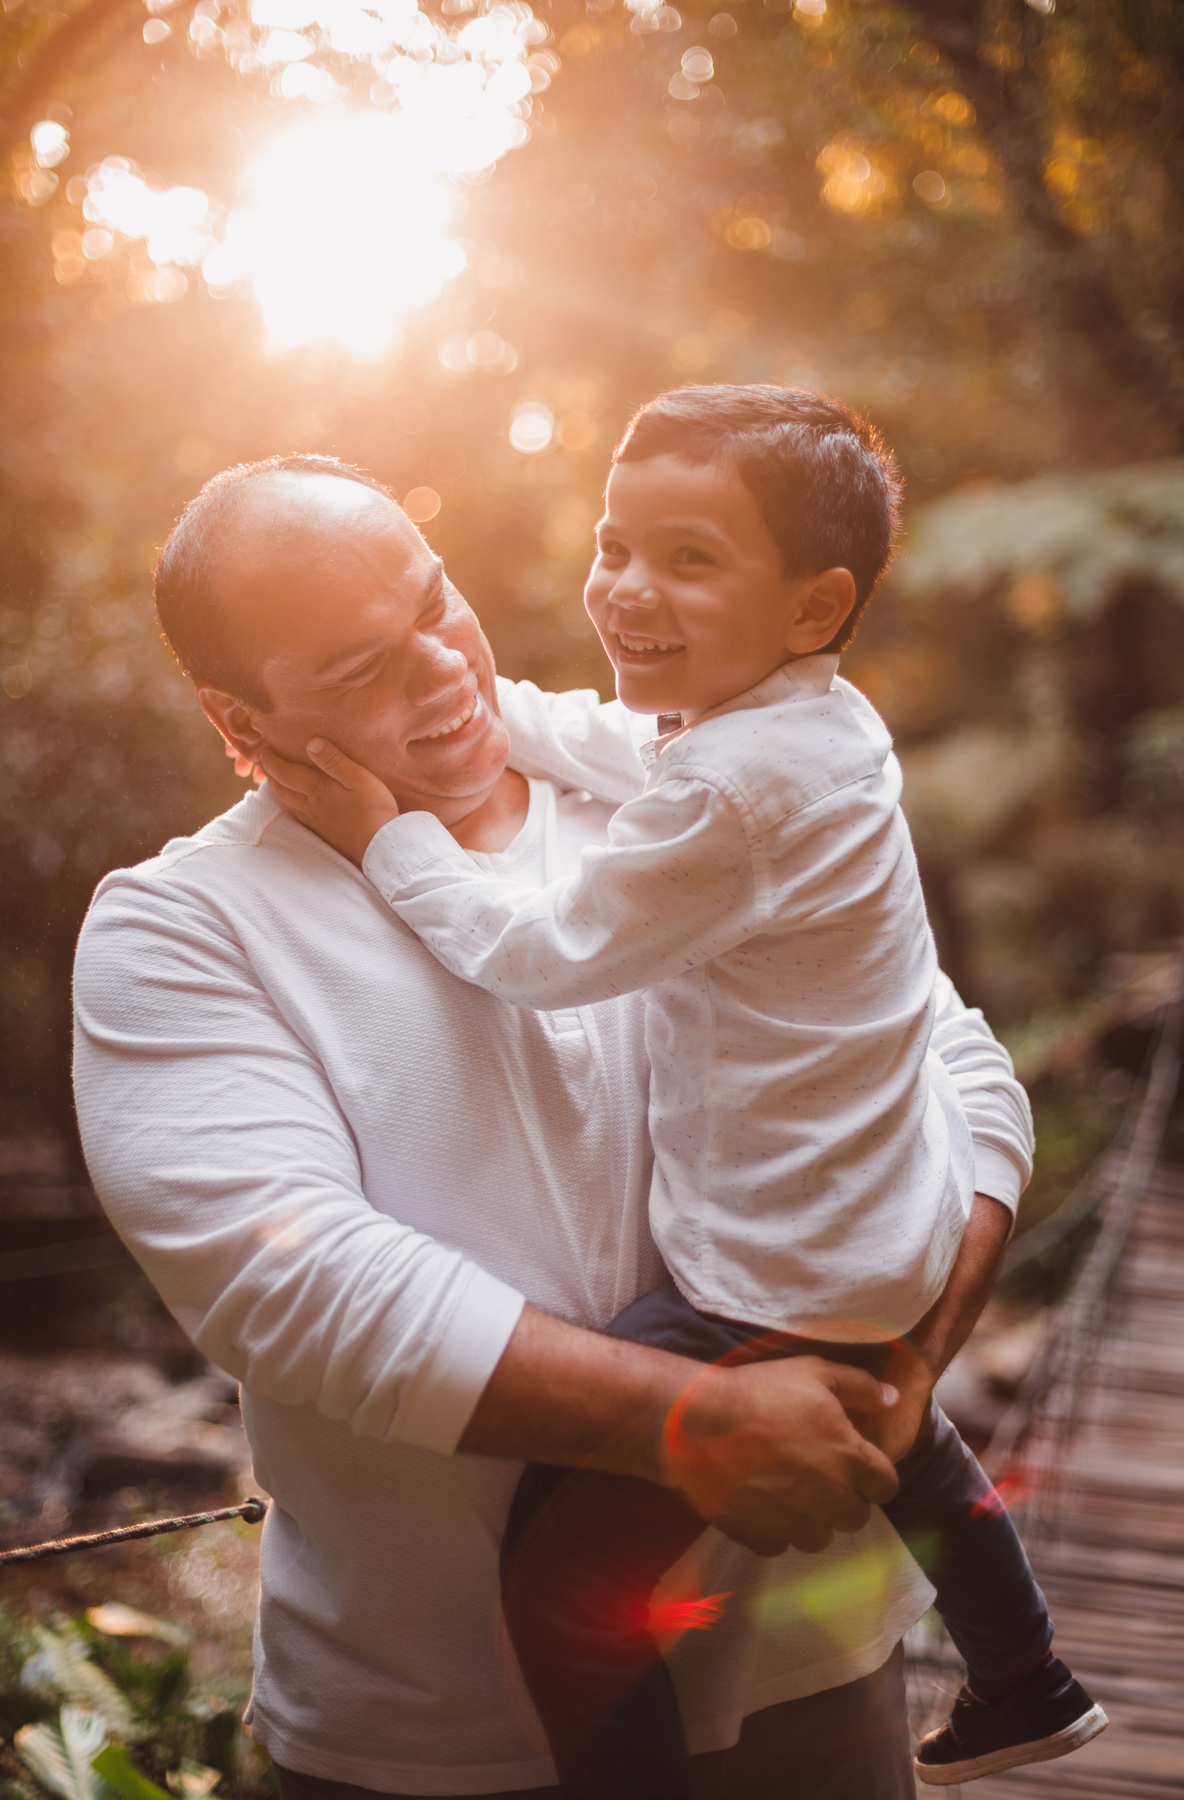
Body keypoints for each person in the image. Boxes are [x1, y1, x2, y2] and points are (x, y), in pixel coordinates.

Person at [74, 451, 1030, 1800]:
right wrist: (692, 1422)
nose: (445, 668)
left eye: (436, 599)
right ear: (240, 718)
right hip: (433, 1740)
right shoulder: (182, 930)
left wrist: (907, 1358)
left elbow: (959, 1068)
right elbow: (292, 1280)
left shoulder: (696, 785)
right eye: (361, 668)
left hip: (815, 1683)